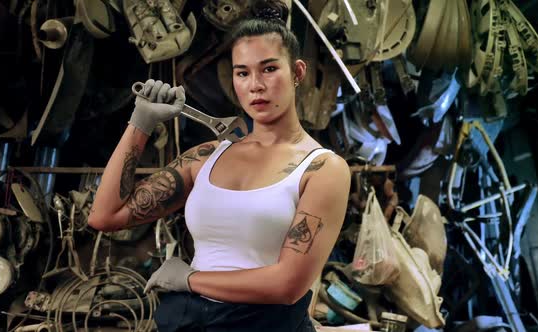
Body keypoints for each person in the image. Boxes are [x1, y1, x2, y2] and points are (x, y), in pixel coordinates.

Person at [88, 0, 351, 330]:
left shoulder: (323, 169)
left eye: (269, 69)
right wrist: (140, 123)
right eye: (243, 72)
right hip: (190, 321)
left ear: (297, 72)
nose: (255, 84)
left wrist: (191, 280)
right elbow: (105, 215)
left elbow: (288, 286)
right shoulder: (208, 156)